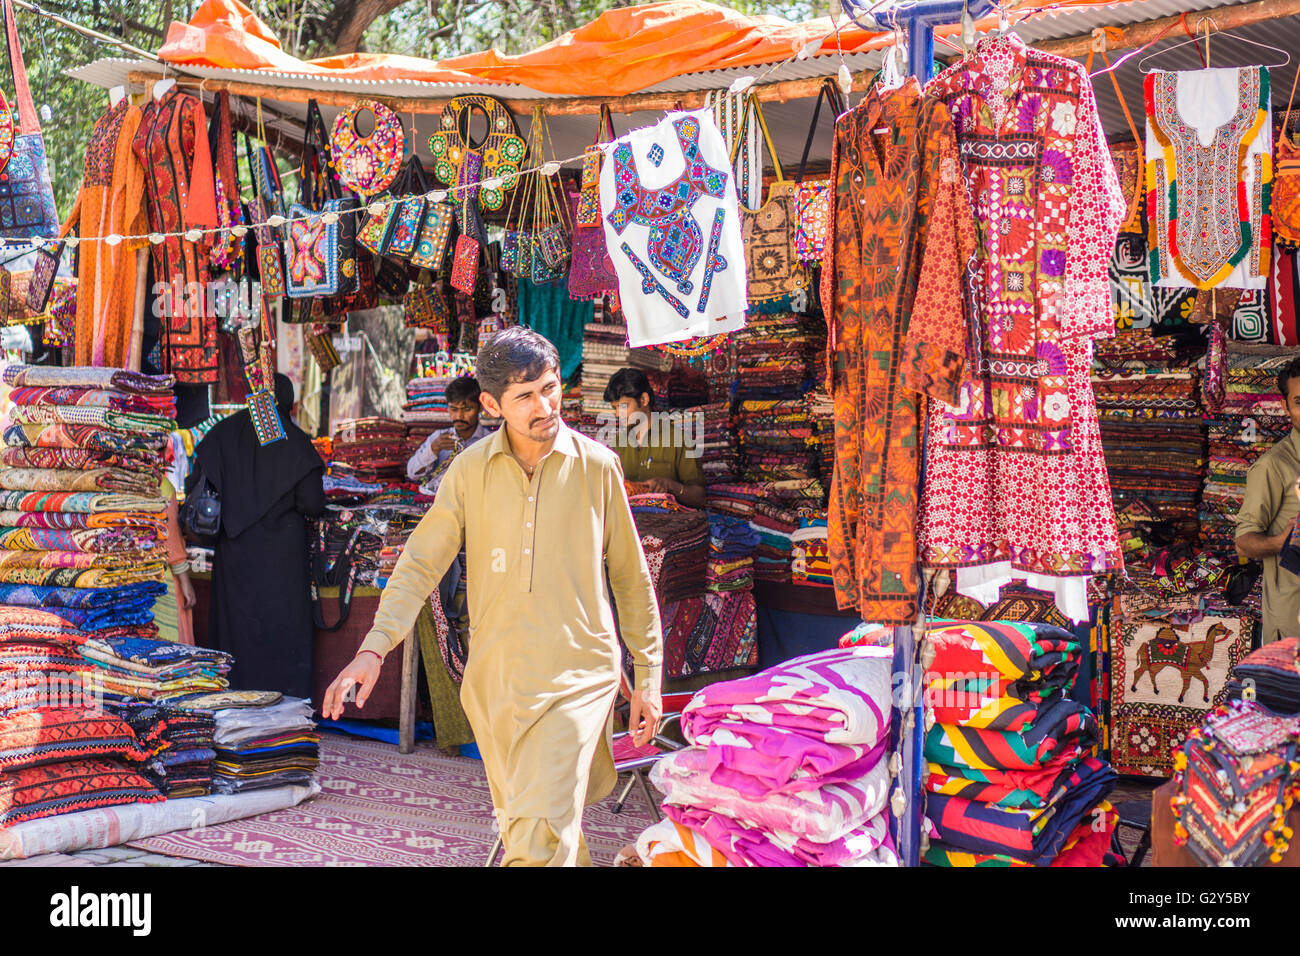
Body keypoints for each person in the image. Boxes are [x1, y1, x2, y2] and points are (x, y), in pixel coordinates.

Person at [323, 327, 663, 867]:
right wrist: (374, 648)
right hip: (497, 683)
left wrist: (648, 674)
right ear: (491, 403)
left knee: (539, 832)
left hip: (580, 676)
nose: (544, 405)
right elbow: (419, 564)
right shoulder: (468, 472)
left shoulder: (597, 466)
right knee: (546, 835)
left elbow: (630, 576)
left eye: (550, 388)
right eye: (525, 396)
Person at [188, 373, 326, 697]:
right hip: (282, 554)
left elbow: (197, 485)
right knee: (283, 625)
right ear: (288, 405)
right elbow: (313, 502)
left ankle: (236, 691)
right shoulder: (294, 441)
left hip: (235, 551)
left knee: (237, 624)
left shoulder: (222, 433)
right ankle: (284, 694)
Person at [1236, 356, 1300, 644]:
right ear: (1286, 407)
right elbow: (1243, 541)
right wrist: (1279, 542)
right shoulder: (1273, 466)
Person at [602, 367, 707, 508]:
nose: (617, 414)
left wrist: (669, 485)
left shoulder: (679, 440)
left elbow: (699, 498)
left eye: (623, 406)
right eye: (615, 408)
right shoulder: (616, 445)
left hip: (669, 526)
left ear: (644, 399)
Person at [406, 374, 494, 497]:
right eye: (453, 409)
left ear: (480, 408)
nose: (459, 416)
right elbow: (412, 473)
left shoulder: (490, 441)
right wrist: (433, 449)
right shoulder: (439, 438)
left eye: (467, 409)